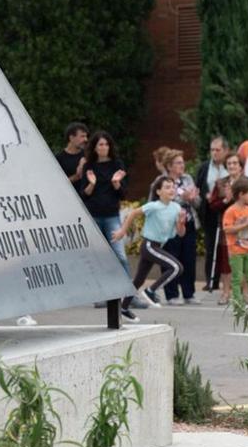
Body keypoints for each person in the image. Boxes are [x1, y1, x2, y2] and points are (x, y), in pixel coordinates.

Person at [112, 175, 187, 322]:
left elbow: (180, 233)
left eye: (173, 187)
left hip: (158, 246)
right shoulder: (154, 206)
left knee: (139, 279)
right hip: (149, 245)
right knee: (177, 267)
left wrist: (181, 223)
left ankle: (123, 308)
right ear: (158, 192)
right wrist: (122, 231)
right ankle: (151, 291)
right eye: (167, 187)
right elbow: (133, 213)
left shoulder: (176, 208)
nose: (171, 189)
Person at [151, 149, 200, 305]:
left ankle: (189, 294)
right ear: (169, 166)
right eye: (178, 163)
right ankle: (171, 295)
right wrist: (181, 198)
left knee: (189, 258)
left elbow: (197, 202)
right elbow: (155, 203)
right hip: (169, 225)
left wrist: (192, 199)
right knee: (171, 258)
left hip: (188, 223)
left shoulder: (187, 179)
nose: (182, 165)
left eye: (182, 162)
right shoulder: (161, 181)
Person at [79, 131, 131, 276]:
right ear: (95, 147)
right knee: (96, 257)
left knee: (120, 255)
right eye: (101, 144)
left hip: (111, 216)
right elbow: (83, 195)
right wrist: (92, 184)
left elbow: (123, 194)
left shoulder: (117, 164)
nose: (104, 147)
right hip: (93, 216)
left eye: (106, 144)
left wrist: (115, 183)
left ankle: (129, 295)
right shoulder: (88, 166)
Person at [209, 153, 246, 305]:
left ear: (240, 166)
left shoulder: (246, 183)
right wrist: (226, 199)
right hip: (227, 227)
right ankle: (226, 293)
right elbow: (213, 205)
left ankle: (245, 294)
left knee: (244, 260)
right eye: (229, 164)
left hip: (244, 227)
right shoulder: (220, 183)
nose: (231, 166)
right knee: (226, 262)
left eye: (235, 163)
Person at [195, 136, 229, 291]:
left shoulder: (230, 166)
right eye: (212, 150)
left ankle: (229, 281)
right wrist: (205, 197)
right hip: (209, 212)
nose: (214, 153)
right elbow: (197, 188)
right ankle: (211, 280)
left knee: (226, 246)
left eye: (218, 150)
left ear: (225, 151)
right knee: (211, 246)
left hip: (228, 210)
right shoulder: (204, 168)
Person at [223, 178, 248, 305]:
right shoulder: (231, 211)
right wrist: (243, 225)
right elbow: (227, 229)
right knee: (237, 277)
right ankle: (237, 302)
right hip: (236, 249)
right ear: (241, 194)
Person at [55, 122, 89, 191]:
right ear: (71, 138)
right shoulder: (59, 159)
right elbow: (56, 184)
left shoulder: (88, 156)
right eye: (82, 136)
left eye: (86, 136)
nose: (86, 139)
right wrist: (76, 176)